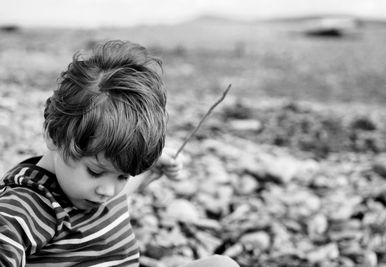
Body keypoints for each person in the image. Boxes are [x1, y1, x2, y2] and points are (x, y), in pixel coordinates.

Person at [0, 40, 239, 267]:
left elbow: (114, 189)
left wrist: (152, 168)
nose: (108, 191)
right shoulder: (28, 206)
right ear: (54, 135)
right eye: (95, 172)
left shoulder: (86, 189)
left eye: (123, 177)